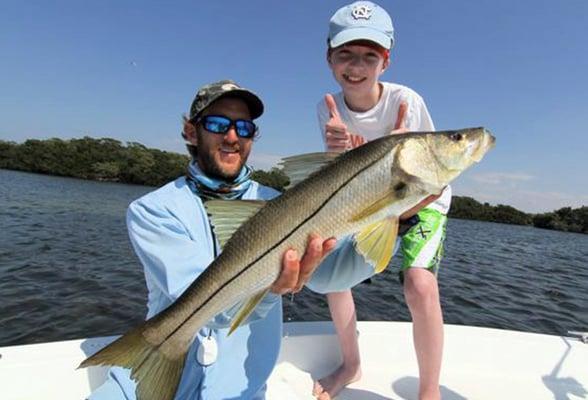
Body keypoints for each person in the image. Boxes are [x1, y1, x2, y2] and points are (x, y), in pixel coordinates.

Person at [88, 79, 339, 400]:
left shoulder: (281, 204)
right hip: (139, 384)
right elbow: (213, 309)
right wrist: (269, 290)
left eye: (244, 128)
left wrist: (396, 211)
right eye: (218, 124)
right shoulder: (152, 209)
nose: (232, 136)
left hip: (238, 392)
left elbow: (335, 275)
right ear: (192, 132)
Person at [311, 2, 451, 400]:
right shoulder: (326, 108)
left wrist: (399, 147)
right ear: (329, 58)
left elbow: (433, 179)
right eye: (345, 55)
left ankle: (429, 392)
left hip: (422, 199)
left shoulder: (407, 100)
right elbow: (339, 179)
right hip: (365, 201)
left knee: (419, 285)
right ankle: (351, 364)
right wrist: (336, 151)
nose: (356, 67)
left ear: (385, 61)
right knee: (324, 262)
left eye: (369, 56)